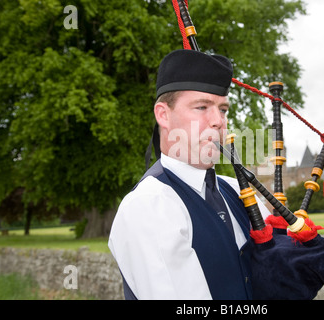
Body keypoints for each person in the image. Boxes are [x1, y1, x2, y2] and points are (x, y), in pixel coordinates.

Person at [108, 49, 270, 300]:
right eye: (202, 106)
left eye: (223, 109)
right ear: (163, 114)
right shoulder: (149, 207)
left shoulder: (237, 191)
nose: (218, 121)